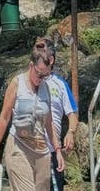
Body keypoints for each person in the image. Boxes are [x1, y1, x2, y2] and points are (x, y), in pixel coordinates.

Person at [0, 49, 64, 191]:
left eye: (45, 75)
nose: (41, 79)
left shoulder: (45, 88)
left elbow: (49, 122)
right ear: (31, 66)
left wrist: (58, 150)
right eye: (39, 74)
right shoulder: (17, 83)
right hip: (19, 147)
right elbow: (4, 117)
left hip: (41, 152)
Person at [33, 37, 79, 191]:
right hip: (30, 149)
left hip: (53, 150)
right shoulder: (26, 81)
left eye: (41, 53)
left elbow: (72, 113)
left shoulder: (60, 84)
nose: (36, 57)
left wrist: (71, 132)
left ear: (50, 59)